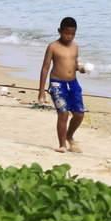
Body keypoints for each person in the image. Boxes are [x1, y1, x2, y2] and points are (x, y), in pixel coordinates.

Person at [37, 16, 85, 152]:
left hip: (73, 83)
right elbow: (45, 68)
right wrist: (41, 91)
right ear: (60, 31)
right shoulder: (53, 47)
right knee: (63, 113)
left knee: (79, 114)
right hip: (57, 84)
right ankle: (62, 144)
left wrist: (80, 68)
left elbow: (74, 64)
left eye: (72, 34)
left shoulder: (75, 46)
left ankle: (70, 136)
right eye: (66, 33)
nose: (69, 36)